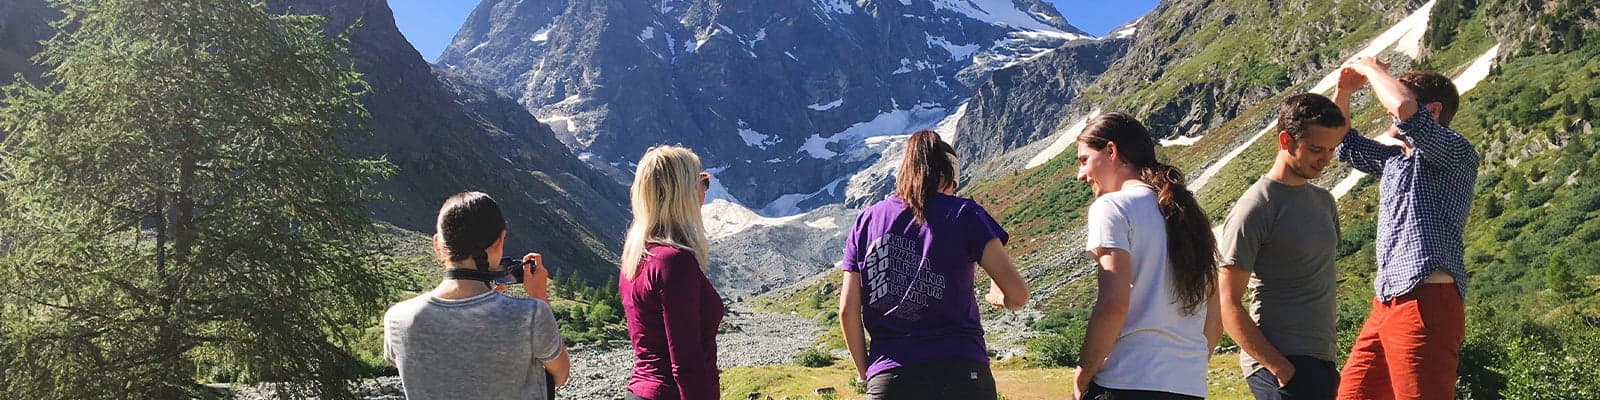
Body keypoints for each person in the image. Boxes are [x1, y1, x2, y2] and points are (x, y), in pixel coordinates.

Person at [837, 129, 1030, 400]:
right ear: (948, 177)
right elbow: (1019, 295)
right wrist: (998, 296)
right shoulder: (965, 213)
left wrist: (867, 373)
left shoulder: (866, 221)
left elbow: (847, 311)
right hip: (962, 371)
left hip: (891, 376)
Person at [1332, 57, 1477, 400]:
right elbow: (1343, 143)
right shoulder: (1395, 160)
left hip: (1427, 299)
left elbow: (1403, 108)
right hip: (1387, 302)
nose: (1388, 112)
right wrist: (1343, 91)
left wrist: (1370, 69)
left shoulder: (1456, 151)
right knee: (1353, 394)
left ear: (1434, 110)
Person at [1072, 113, 1222, 400]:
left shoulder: (1112, 207)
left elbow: (1113, 304)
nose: (1081, 175)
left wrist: (1084, 372)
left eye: (1083, 160)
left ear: (1111, 151)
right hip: (1188, 387)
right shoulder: (1187, 214)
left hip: (1126, 380)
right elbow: (1214, 318)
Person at [1218, 94, 1347, 400]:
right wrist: (1280, 368)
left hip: (1322, 361)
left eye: (1331, 150)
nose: (1325, 159)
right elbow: (1227, 303)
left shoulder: (1324, 202)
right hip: (1279, 364)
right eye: (1316, 149)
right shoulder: (1256, 206)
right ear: (1286, 140)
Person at [383, 192, 572, 400]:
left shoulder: (397, 318)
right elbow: (560, 376)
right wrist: (539, 296)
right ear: (500, 241)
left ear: (437, 245)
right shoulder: (531, 314)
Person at [619, 145, 722, 400]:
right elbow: (686, 364)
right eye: (701, 181)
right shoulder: (675, 262)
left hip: (641, 390)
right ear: (682, 191)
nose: (704, 190)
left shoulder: (637, 257)